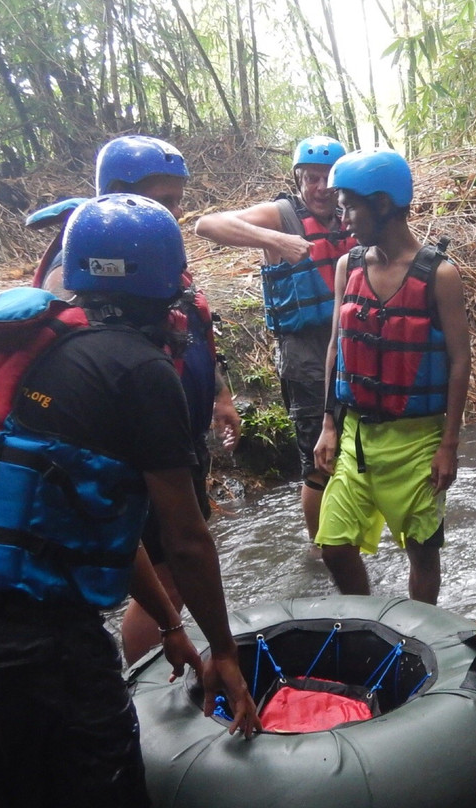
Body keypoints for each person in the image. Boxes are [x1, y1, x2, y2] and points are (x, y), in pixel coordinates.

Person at [0, 194, 260, 808]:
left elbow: (82, 513)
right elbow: (184, 537)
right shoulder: (138, 371)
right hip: (38, 648)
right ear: (166, 286)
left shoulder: (24, 342)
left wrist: (172, 626)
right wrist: (223, 650)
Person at [31, 135, 242, 665]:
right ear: (120, 191)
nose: (175, 213)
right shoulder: (83, 272)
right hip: (135, 452)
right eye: (165, 201)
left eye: (178, 201)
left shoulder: (144, 247)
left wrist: (218, 392)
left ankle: (153, 661)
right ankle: (153, 679)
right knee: (167, 578)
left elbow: (185, 326)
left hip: (168, 439)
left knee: (169, 576)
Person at [313, 148, 472, 604]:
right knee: (334, 544)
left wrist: (449, 446)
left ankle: (420, 634)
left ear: (382, 204)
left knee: (423, 552)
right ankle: (368, 621)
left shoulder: (440, 275)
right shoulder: (350, 265)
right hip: (357, 436)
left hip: (418, 438)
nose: (343, 217)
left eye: (349, 205)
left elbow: (460, 361)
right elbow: (336, 348)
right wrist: (329, 424)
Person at [196, 136, 356, 548]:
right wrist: (274, 241)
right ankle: (322, 551)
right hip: (304, 355)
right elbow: (207, 225)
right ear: (299, 179)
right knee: (317, 460)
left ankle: (348, 538)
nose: (319, 188)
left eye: (327, 179)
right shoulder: (282, 214)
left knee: (353, 451)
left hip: (351, 351)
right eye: (310, 179)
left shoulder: (351, 215)